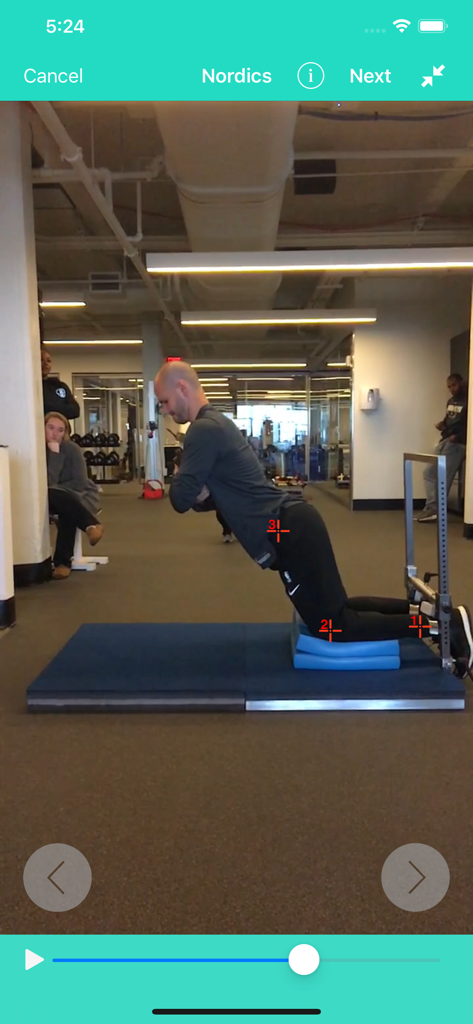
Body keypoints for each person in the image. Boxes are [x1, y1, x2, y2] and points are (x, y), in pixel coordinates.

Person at [155, 361, 473, 679]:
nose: (166, 410)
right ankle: (428, 613)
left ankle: (438, 626)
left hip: (286, 529)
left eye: (165, 401)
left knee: (332, 625)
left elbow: (181, 499)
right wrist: (198, 489)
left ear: (182, 388)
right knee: (338, 609)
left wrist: (188, 481)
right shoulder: (217, 423)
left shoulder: (202, 430)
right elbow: (210, 498)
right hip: (290, 524)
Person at [45, 412, 104, 579]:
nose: (55, 434)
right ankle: (91, 526)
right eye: (51, 428)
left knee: (67, 507)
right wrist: (54, 456)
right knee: (61, 499)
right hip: (50, 497)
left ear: (66, 432)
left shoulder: (72, 449)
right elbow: (47, 485)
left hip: (82, 494)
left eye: (60, 430)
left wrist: (57, 489)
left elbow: (80, 482)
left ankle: (62, 563)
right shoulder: (38, 451)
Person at [418, 373, 468, 523]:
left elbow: (469, 426)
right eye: (449, 387)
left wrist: (459, 438)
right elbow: (449, 420)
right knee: (428, 472)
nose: (451, 389)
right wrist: (442, 425)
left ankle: (435, 510)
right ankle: (432, 507)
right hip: (446, 439)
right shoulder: (451, 401)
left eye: (454, 385)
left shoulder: (469, 401)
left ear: (461, 383)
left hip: (458, 444)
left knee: (443, 476)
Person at [41, 346, 81, 421]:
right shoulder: (32, 387)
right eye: (41, 360)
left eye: (48, 361)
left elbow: (75, 410)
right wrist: (60, 406)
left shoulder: (60, 386)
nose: (45, 364)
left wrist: (49, 408)